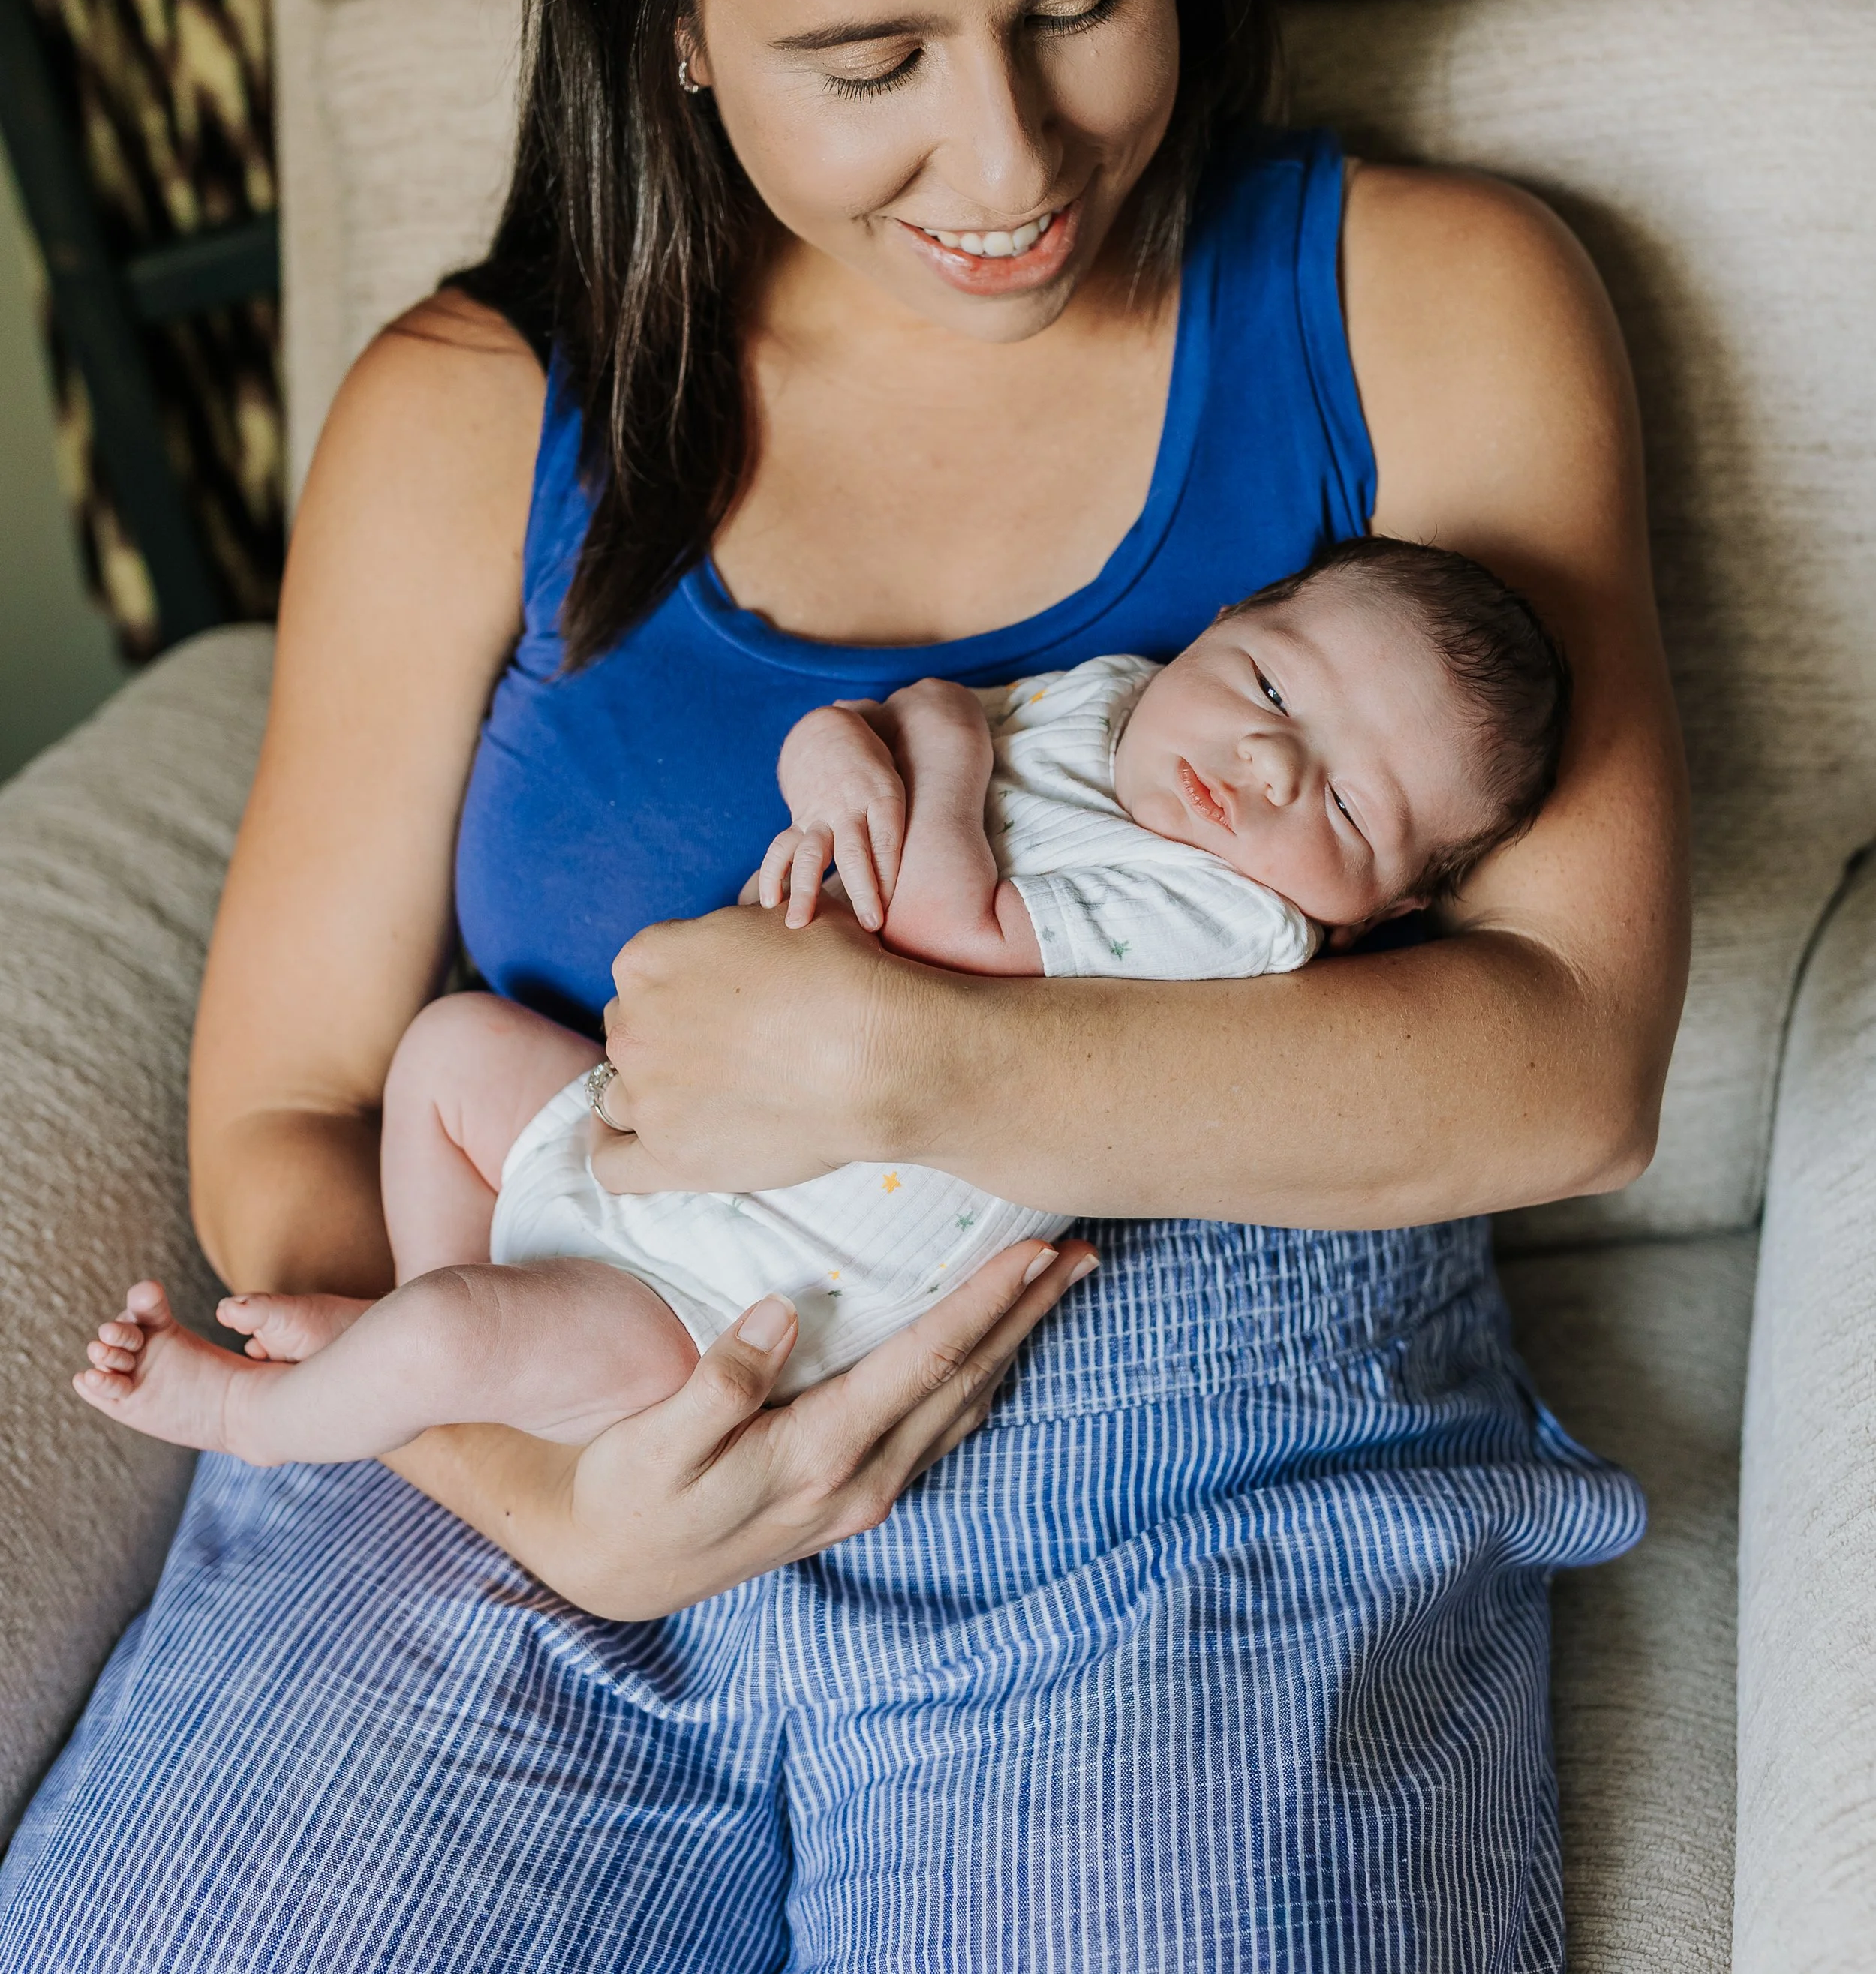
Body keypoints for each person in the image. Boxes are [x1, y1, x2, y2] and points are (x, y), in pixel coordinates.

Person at [0, 0, 1685, 1974]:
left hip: (1182, 1406)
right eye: (867, 60)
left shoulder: (1432, 299)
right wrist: (540, 1484)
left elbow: (1568, 1060)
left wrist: (913, 1068)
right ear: (676, 26)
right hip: (535, 1370)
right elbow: (288, 1127)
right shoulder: (471, 418)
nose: (1007, 161)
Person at [71, 536, 1571, 1462]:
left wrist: (942, 742)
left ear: (1384, 909)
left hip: (727, 1297)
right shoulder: (1113, 697)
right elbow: (860, 751)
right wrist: (833, 751)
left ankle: (260, 1421)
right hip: (632, 1130)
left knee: (474, 1332)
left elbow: (948, 938)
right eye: (1268, 683)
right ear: (1233, 616)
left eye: (1347, 810)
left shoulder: (1226, 915)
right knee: (450, 1052)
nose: (1259, 766)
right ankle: (418, 1328)